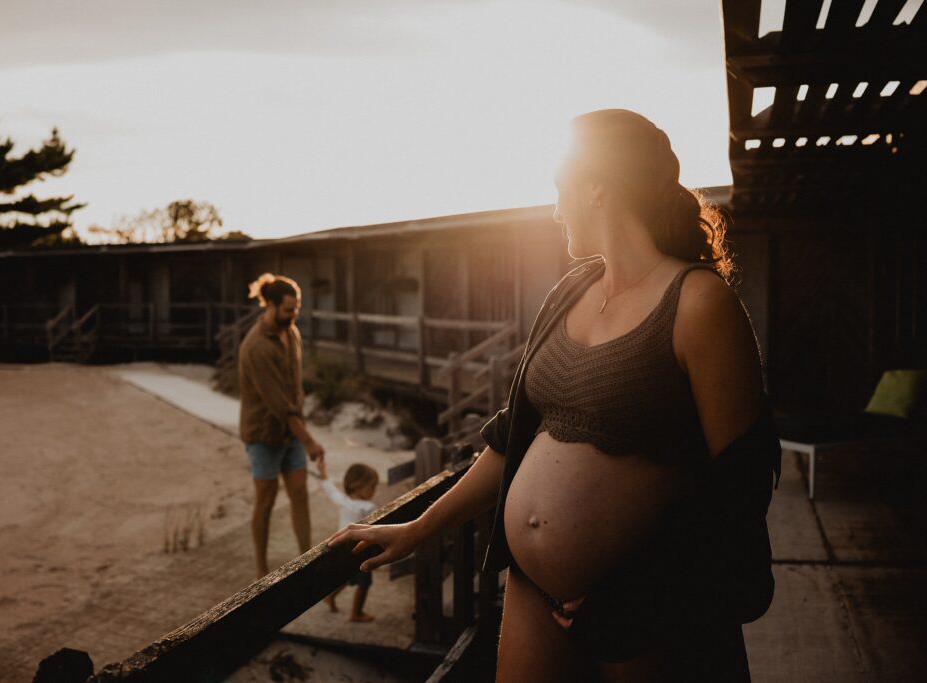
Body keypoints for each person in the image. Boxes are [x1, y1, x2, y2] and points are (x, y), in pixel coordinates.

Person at [329, 109, 780, 681]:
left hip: (643, 607)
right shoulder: (571, 291)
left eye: (559, 188)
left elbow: (740, 488)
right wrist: (418, 528)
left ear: (597, 186)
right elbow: (509, 436)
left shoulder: (699, 304)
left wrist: (638, 592)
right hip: (530, 589)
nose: (554, 208)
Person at [238, 272, 326, 580]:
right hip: (264, 433)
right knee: (266, 499)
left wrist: (300, 433)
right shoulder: (256, 347)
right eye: (289, 309)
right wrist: (311, 442)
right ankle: (260, 570)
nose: (294, 314)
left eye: (297, 308)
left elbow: (295, 390)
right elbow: (279, 406)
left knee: (300, 493)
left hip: (292, 431)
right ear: (271, 306)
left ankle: (307, 563)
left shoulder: (292, 333)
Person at [318, 462, 379, 622]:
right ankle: (356, 613)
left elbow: (330, 490)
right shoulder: (369, 507)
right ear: (358, 486)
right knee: (364, 583)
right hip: (360, 550)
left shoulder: (343, 501)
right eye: (371, 487)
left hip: (341, 547)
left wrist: (323, 473)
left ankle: (330, 597)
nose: (374, 491)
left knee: (345, 577)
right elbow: (376, 531)